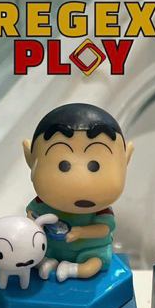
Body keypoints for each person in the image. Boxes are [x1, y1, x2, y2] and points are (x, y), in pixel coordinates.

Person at [23, 104, 133, 282]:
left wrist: (81, 232)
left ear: (125, 159)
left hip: (90, 249)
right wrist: (35, 224)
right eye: (63, 166)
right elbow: (31, 213)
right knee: (34, 251)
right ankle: (45, 262)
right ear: (30, 158)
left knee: (93, 264)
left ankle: (73, 269)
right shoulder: (42, 203)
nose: (81, 181)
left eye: (94, 166)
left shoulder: (101, 210)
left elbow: (104, 228)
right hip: (50, 246)